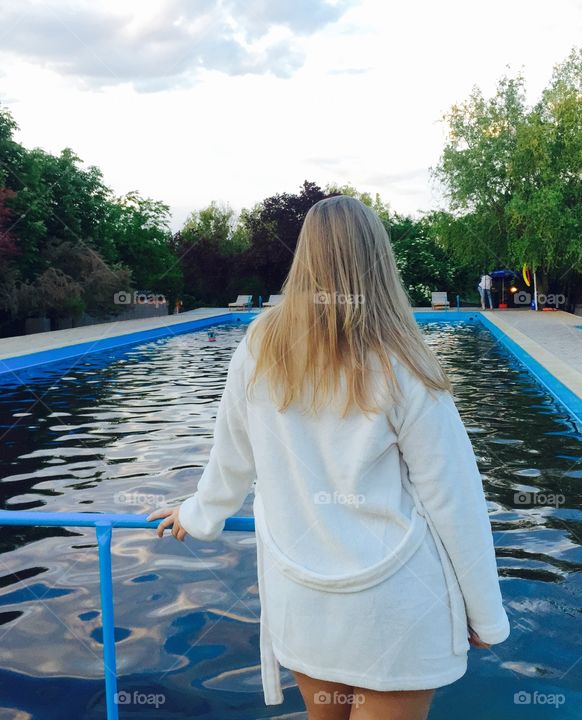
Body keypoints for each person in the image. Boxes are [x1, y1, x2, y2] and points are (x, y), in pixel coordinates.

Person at [149, 195, 510, 720]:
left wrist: (197, 515)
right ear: (378, 261)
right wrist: (485, 612)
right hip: (397, 603)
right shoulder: (403, 357)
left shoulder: (260, 345)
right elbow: (452, 495)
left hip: (305, 597)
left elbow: (230, 457)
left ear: (304, 257)